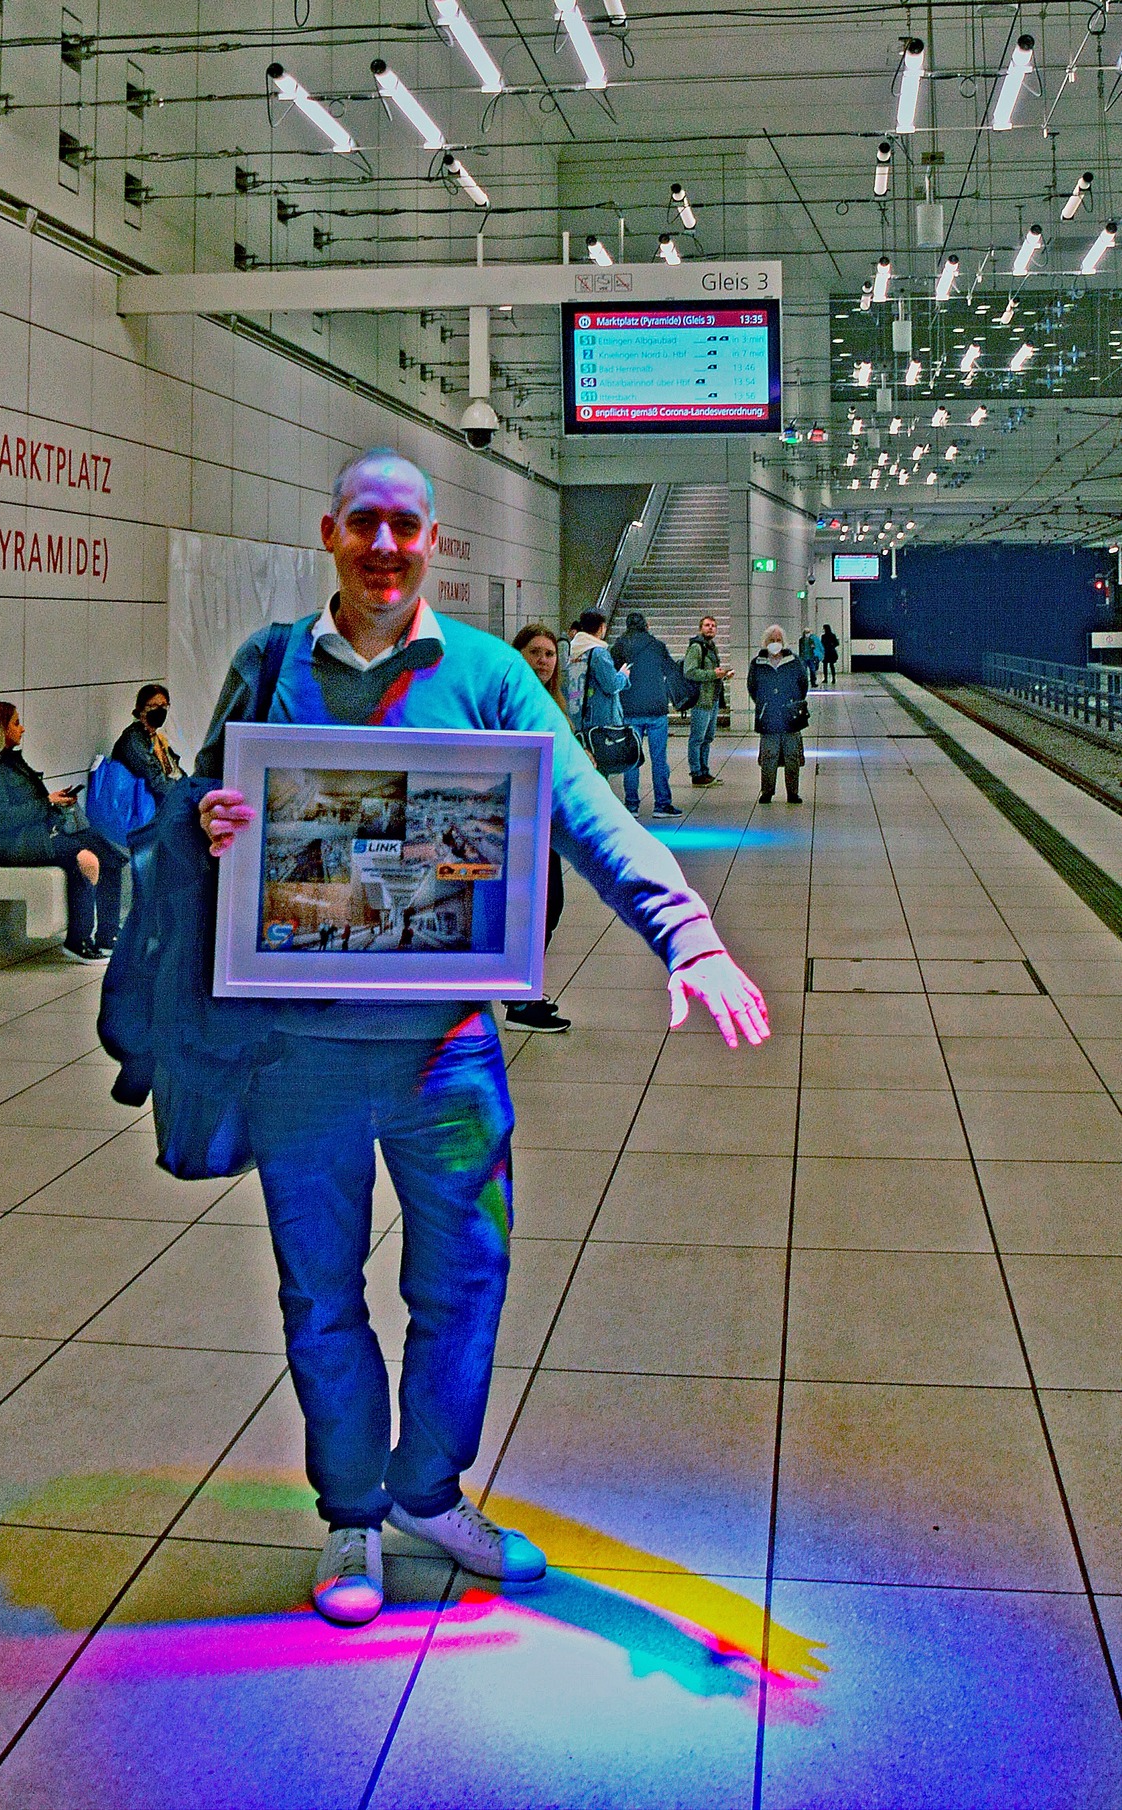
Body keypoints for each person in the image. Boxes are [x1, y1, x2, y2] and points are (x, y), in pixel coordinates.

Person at [187, 448, 768, 1630]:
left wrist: (686, 929)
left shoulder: (494, 676)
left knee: (467, 1279)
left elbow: (588, 818)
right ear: (330, 531)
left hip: (445, 1052)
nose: (385, 547)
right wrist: (209, 822)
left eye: (406, 526)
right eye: (364, 525)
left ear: (434, 540)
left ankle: (427, 1493)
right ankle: (350, 1509)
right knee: (320, 1290)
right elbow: (201, 809)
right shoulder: (265, 667)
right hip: (298, 1049)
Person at [0, 700, 127, 959]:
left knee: (110, 854)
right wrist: (46, 802)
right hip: (11, 845)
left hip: (32, 836)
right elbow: (0, 818)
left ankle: (109, 932)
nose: (22, 729)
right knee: (84, 859)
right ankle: (78, 940)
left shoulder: (10, 763)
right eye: (15, 723)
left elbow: (26, 804)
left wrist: (52, 800)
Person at [508, 623, 571, 1034]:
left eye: (549, 654)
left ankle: (525, 991)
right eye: (536, 652)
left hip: (545, 818)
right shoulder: (510, 700)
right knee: (537, 906)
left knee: (549, 905)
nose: (544, 661)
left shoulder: (552, 702)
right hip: (519, 818)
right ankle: (519, 999)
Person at [608, 611, 684, 820]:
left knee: (631, 760)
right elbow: (671, 670)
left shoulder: (620, 646)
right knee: (659, 759)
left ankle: (631, 805)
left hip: (630, 709)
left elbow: (613, 675)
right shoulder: (657, 646)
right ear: (646, 626)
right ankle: (662, 805)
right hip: (656, 709)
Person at [747, 626, 810, 804]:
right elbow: (752, 687)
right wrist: (763, 703)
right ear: (765, 643)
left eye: (778, 640)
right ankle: (767, 791)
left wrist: (794, 702)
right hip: (768, 716)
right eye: (771, 640)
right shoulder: (757, 663)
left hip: (791, 716)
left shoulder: (794, 661)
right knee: (768, 756)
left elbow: (803, 684)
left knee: (792, 756)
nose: (775, 643)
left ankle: (793, 793)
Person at [111, 683, 185, 804]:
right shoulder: (133, 740)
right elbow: (155, 782)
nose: (160, 710)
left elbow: (174, 770)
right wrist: (185, 794)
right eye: (154, 706)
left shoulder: (157, 739)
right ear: (141, 709)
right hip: (139, 807)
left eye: (163, 706)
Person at [683, 614, 734, 788]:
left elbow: (712, 673)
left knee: (707, 737)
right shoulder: (696, 648)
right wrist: (713, 674)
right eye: (707, 625)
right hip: (700, 700)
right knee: (697, 738)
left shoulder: (711, 647)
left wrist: (723, 676)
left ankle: (704, 771)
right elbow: (689, 672)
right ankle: (696, 773)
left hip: (711, 700)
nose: (710, 628)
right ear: (700, 628)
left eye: (713, 625)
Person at [566, 608, 629, 736]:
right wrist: (623, 675)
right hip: (600, 721)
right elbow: (612, 685)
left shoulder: (573, 650)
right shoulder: (599, 654)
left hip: (576, 716)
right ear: (602, 627)